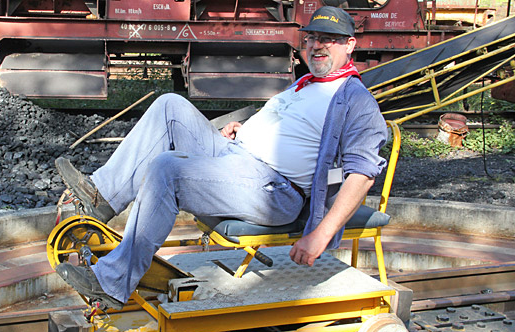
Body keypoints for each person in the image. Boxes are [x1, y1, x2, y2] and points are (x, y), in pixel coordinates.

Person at [54, 6, 388, 310]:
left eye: (328, 39)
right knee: (170, 106)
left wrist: (321, 234)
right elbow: (290, 127)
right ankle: (102, 197)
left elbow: (362, 176)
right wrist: (245, 131)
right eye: (312, 37)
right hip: (238, 155)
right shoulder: (306, 83)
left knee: (168, 170)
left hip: (274, 189)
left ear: (350, 45)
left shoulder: (356, 100)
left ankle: (111, 283)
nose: (316, 46)